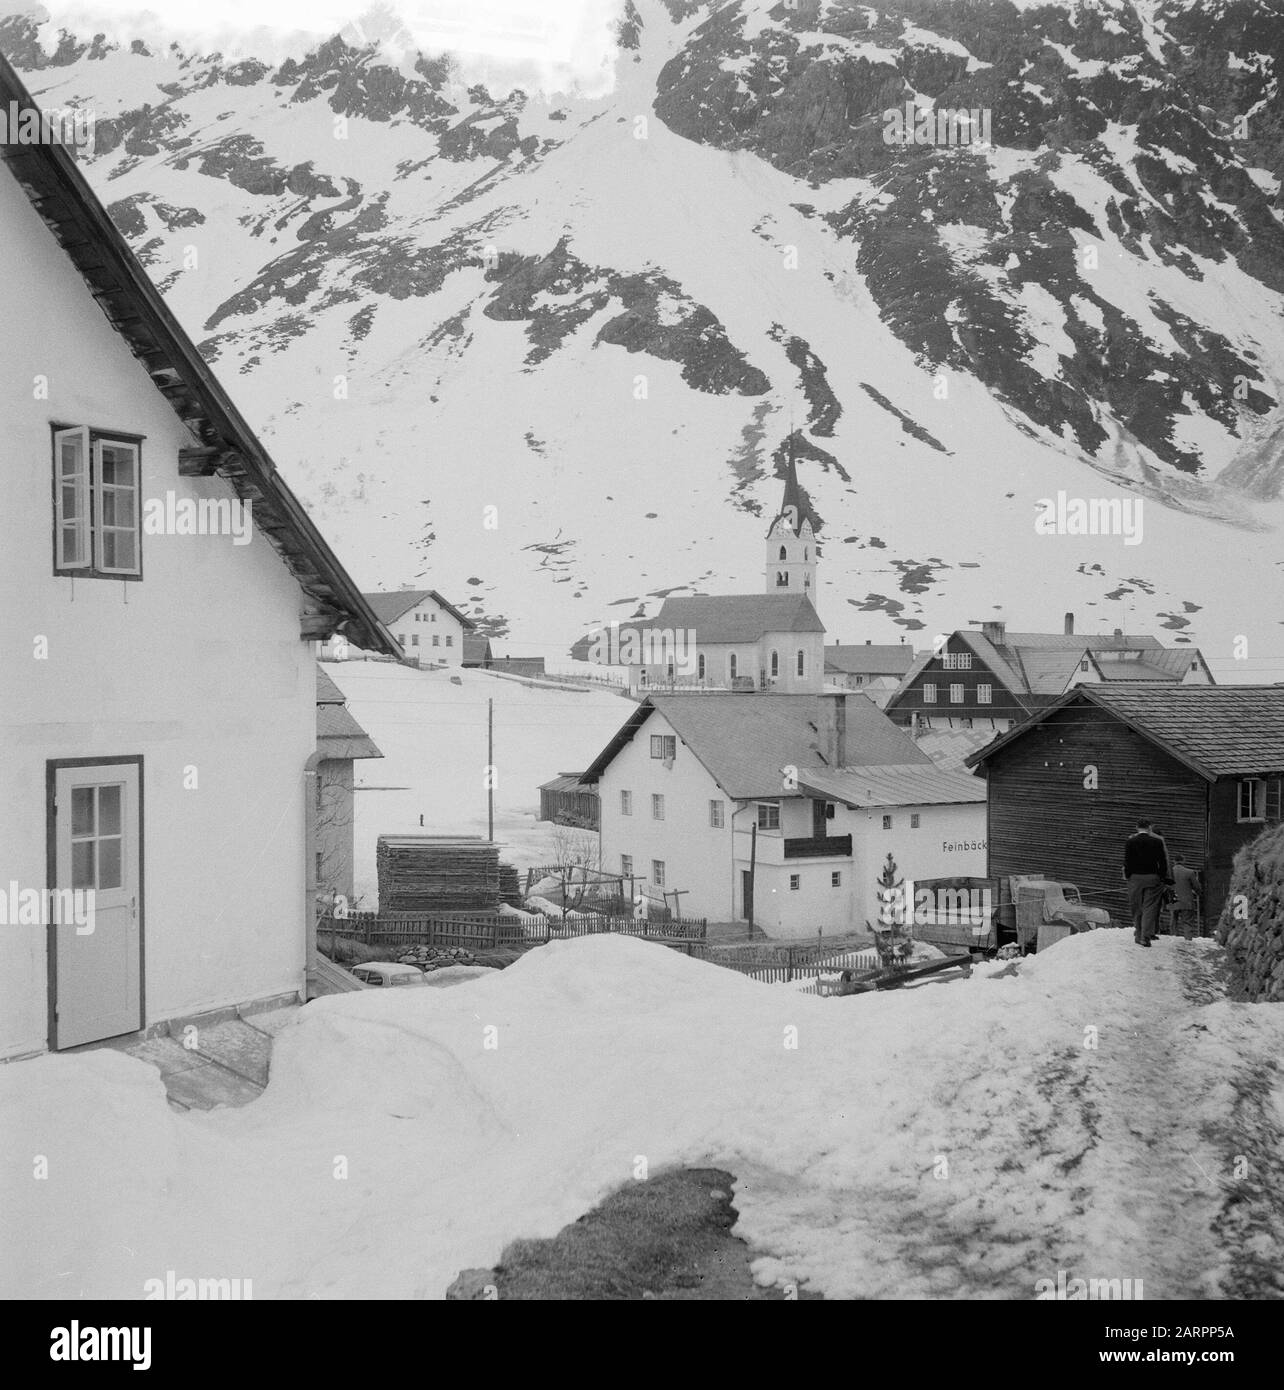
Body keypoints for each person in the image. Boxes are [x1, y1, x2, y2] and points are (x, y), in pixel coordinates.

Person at [1123, 817, 1168, 947]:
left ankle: (1138, 933)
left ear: (1137, 828)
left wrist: (1128, 875)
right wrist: (1162, 876)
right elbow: (1162, 861)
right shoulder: (1157, 842)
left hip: (1135, 878)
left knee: (1136, 907)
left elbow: (1127, 861)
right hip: (1152, 878)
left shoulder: (1130, 842)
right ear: (1149, 828)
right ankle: (1145, 937)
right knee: (1150, 907)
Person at [1171, 854, 1202, 941]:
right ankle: (1188, 940)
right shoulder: (1189, 872)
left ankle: (1173, 939)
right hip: (1187, 900)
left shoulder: (1169, 872)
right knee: (1187, 922)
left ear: (1174, 861)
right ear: (1183, 861)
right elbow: (1197, 887)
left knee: (1173, 920)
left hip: (1173, 900)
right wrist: (1199, 893)